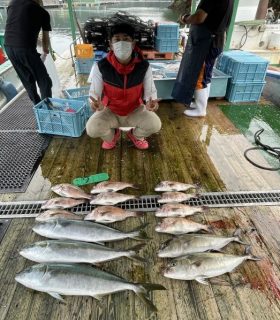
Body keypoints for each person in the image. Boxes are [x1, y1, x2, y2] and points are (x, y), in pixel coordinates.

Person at [86, 23, 161, 150]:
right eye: (117, 39)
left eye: (126, 39)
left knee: (155, 124)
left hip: (135, 110)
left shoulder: (144, 66)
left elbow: (150, 93)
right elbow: (94, 94)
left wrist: (152, 104)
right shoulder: (100, 66)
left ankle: (136, 136)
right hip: (110, 111)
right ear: (111, 44)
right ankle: (112, 136)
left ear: (133, 44)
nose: (121, 43)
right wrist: (94, 104)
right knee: (92, 129)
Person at [171, 0, 234, 117]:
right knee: (206, 74)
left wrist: (185, 19)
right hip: (217, 40)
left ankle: (200, 110)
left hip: (207, 42)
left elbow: (200, 17)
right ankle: (201, 104)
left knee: (200, 75)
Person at [4, 0, 52, 104]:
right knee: (45, 81)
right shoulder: (43, 12)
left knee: (28, 80)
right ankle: (47, 110)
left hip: (8, 47)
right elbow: (45, 38)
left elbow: (18, 26)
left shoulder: (13, 3)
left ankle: (37, 105)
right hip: (24, 48)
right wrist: (45, 49)